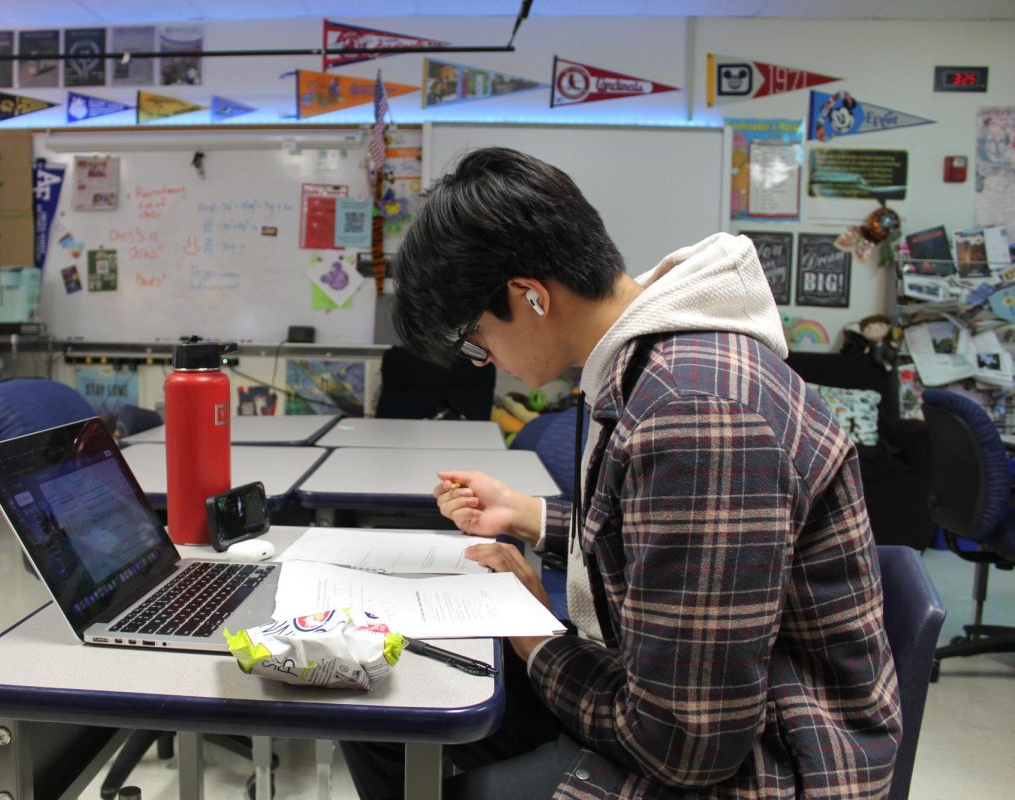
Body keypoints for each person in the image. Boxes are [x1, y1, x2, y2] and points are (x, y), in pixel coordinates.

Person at [341, 148, 901, 800]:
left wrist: (533, 635)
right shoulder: (648, 362)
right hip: (691, 706)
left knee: (446, 727)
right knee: (383, 708)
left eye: (475, 336)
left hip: (770, 762)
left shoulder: (694, 408)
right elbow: (673, 546)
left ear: (530, 296)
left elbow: (685, 745)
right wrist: (532, 518)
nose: (479, 359)